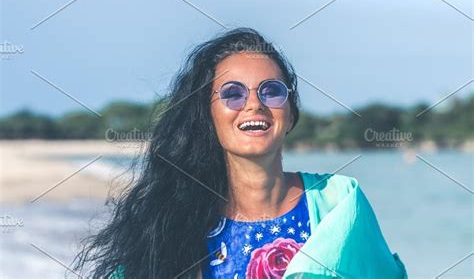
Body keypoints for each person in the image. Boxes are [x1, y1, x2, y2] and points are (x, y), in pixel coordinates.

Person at [73, 28, 408, 278]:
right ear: (208, 116)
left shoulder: (338, 203)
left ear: (290, 114)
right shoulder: (172, 222)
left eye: (271, 91)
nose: (254, 104)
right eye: (232, 94)